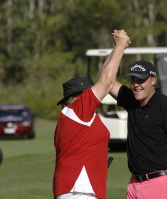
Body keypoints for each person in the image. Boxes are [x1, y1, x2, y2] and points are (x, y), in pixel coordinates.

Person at [53, 30, 131, 199]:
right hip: (79, 190)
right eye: (87, 92)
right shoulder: (77, 110)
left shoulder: (77, 115)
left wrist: (113, 50)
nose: (93, 93)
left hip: (79, 189)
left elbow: (105, 79)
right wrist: (120, 46)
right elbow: (107, 81)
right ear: (75, 98)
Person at [109, 60, 167, 199]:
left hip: (160, 183)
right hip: (134, 183)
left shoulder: (165, 106)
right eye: (133, 80)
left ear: (153, 80)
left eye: (141, 80)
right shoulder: (131, 100)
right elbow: (108, 80)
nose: (136, 85)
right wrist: (118, 47)